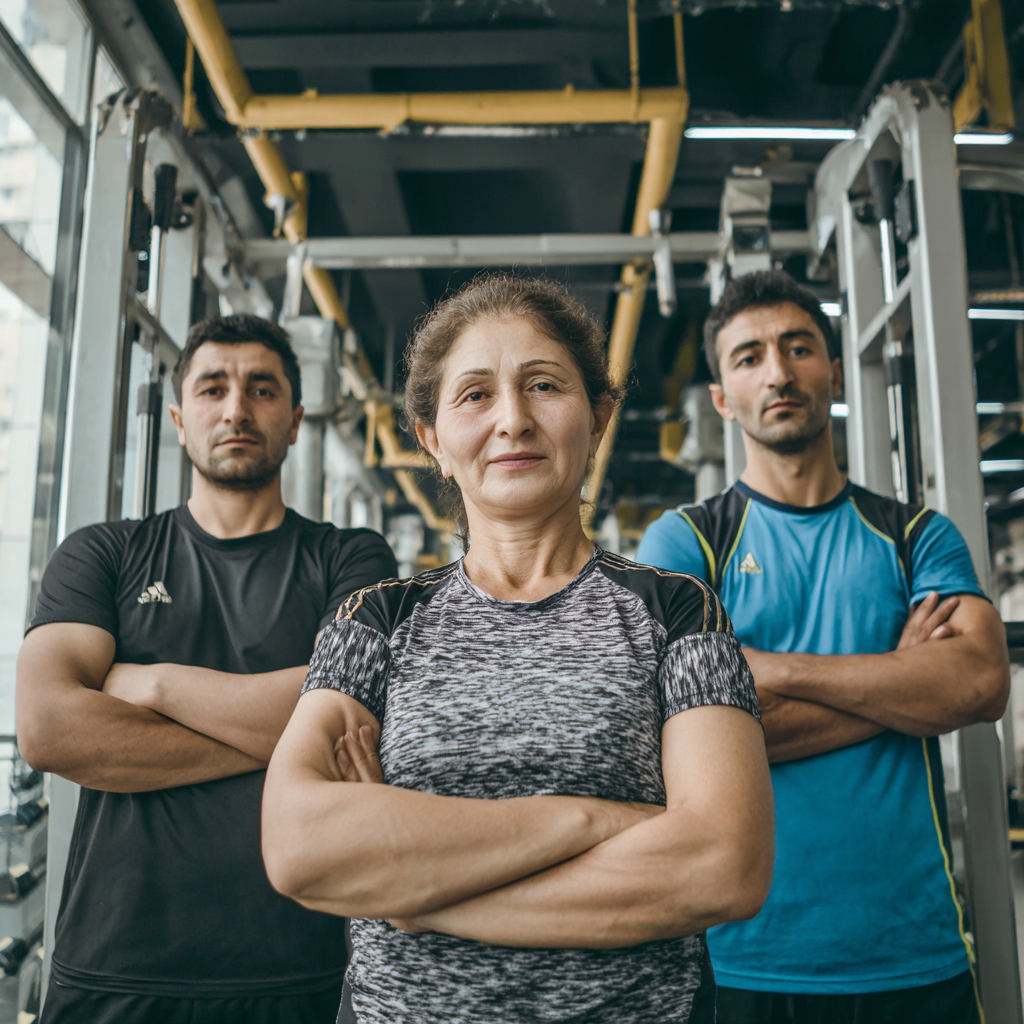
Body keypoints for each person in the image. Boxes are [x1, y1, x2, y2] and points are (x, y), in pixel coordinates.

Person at [260, 273, 774, 1024]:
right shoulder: (377, 620)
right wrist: (597, 820)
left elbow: (724, 867)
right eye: (474, 394)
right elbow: (301, 847)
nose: (513, 420)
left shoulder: (677, 612)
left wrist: (416, 892)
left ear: (597, 420)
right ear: (433, 441)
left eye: (543, 385)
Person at [637, 270, 1009, 1024]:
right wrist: (903, 689)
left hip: (914, 944)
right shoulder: (689, 542)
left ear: (833, 372)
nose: (777, 371)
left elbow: (978, 683)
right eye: (748, 357)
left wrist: (760, 671)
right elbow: (668, 732)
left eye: (798, 347)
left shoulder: (914, 536)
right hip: (742, 952)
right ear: (721, 398)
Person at [16, 314, 397, 1024]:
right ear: (178, 419)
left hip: (298, 965)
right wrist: (289, 732)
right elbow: (48, 731)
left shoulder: (351, 559)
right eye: (213, 388)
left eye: (261, 389)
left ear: (295, 420)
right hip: (112, 963)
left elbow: (356, 712)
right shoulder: (103, 554)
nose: (235, 409)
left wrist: (151, 684)